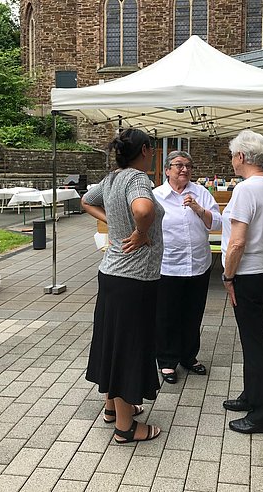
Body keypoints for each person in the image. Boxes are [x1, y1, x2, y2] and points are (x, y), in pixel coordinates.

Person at [81, 128, 164, 443]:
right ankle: (126, 428)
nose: (153, 154)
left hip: (112, 274)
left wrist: (114, 223)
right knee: (129, 346)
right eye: (152, 149)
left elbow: (86, 201)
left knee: (113, 342)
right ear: (144, 150)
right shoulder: (137, 179)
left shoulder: (112, 178)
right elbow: (143, 209)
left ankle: (113, 408)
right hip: (134, 278)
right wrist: (141, 232)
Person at [221, 130, 263, 434]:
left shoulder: (246, 190)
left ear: (242, 156)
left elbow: (237, 242)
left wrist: (228, 275)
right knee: (252, 337)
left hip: (247, 273)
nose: (232, 161)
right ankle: (252, 395)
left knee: (253, 342)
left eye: (233, 155)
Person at [153, 151, 222, 384]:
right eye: (179, 165)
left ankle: (188, 356)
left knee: (193, 313)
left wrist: (199, 209)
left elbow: (217, 223)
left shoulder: (201, 193)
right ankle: (166, 361)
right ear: (167, 170)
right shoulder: (156, 196)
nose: (185, 169)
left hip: (198, 264)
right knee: (167, 315)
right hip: (168, 266)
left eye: (189, 166)